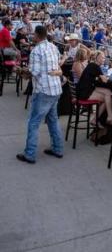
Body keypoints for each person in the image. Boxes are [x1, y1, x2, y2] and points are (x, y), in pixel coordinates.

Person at [17, 26, 65, 164]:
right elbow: (57, 64)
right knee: (53, 120)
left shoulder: (36, 51)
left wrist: (21, 71)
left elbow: (35, 72)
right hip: (55, 89)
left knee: (33, 122)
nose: (32, 36)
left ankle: (30, 154)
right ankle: (58, 148)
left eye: (33, 34)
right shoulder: (52, 46)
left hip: (43, 90)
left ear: (37, 35)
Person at [76, 50, 112, 129]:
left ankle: (97, 118)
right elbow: (105, 80)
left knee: (107, 93)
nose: (103, 59)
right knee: (108, 97)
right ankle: (108, 117)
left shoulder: (91, 65)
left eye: (104, 58)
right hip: (84, 93)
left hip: (83, 90)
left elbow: (97, 80)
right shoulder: (95, 66)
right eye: (102, 57)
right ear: (96, 57)